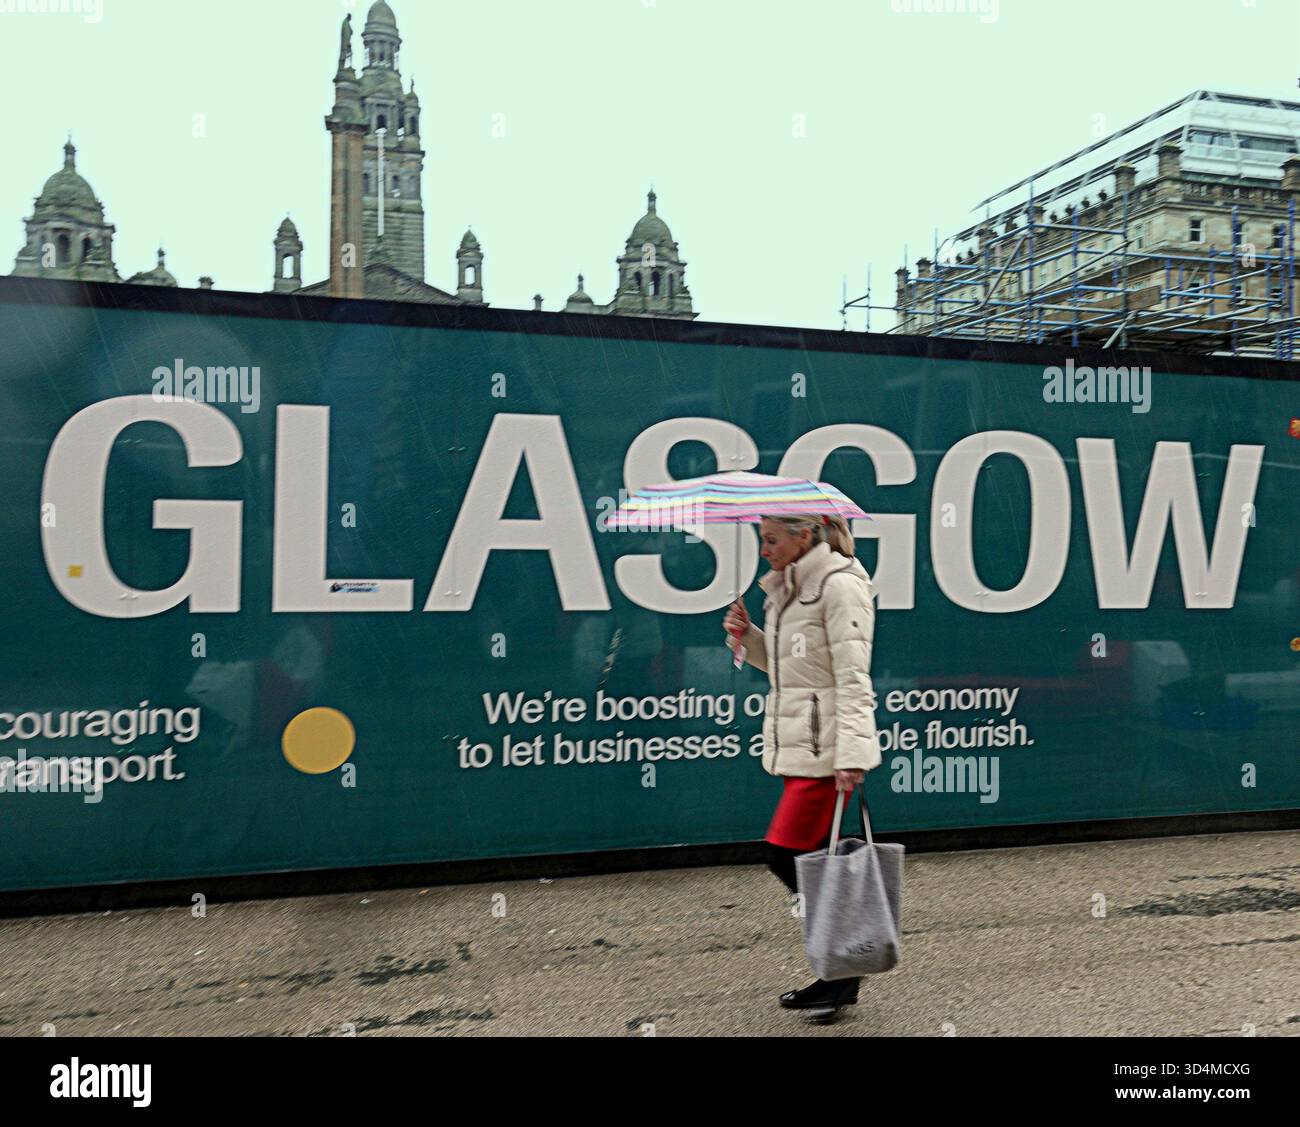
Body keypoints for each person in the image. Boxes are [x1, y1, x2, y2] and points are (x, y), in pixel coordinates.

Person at [722, 512, 882, 1023]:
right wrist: (748, 638)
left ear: (804, 535)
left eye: (771, 540)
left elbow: (854, 677)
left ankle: (845, 966)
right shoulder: (789, 588)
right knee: (815, 863)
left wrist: (853, 756)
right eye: (761, 539)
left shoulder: (838, 587)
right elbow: (794, 668)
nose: (764, 549)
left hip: (828, 754)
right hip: (803, 749)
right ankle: (840, 973)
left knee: (784, 854)